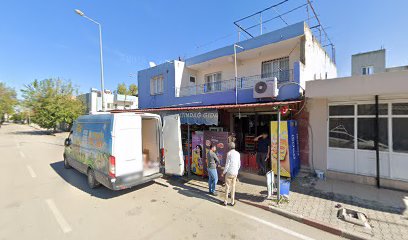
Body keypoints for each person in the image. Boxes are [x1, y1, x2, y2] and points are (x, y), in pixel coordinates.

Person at [221, 142, 241, 206]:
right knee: (233, 187)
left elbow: (227, 164)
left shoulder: (229, 154)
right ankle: (232, 202)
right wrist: (236, 171)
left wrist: (223, 172)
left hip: (229, 172)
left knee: (227, 187)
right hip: (235, 173)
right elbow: (239, 164)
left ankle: (225, 202)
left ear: (229, 147)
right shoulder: (238, 153)